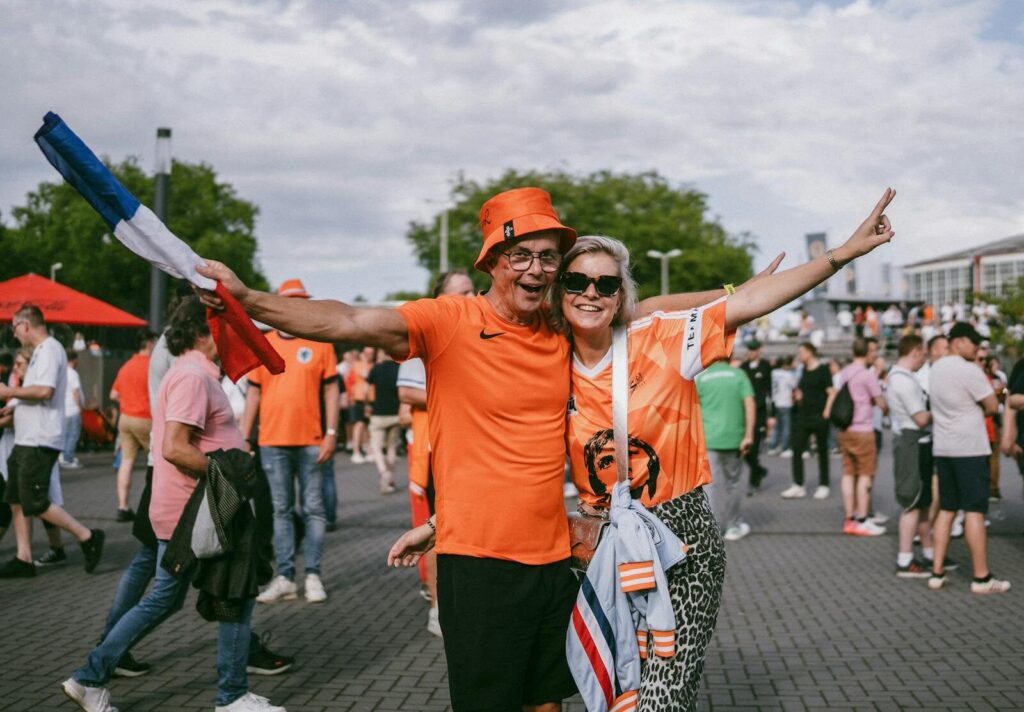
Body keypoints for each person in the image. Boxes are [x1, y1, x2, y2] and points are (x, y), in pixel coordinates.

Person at [545, 189, 895, 710]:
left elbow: (752, 304)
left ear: (621, 296)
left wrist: (840, 254)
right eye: (576, 281)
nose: (590, 293)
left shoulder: (660, 339)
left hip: (682, 543)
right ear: (560, 291)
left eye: (605, 284)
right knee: (618, 692)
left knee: (661, 699)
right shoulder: (545, 360)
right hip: (605, 550)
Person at [61, 295, 287, 712]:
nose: (229, 334)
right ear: (205, 332)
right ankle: (232, 695)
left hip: (196, 509)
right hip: (203, 510)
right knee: (233, 594)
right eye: (222, 326)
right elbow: (175, 448)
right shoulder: (191, 378)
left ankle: (90, 677)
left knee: (168, 598)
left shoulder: (195, 374)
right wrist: (229, 477)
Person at [242, 278, 340, 605]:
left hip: (312, 440)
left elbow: (331, 390)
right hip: (272, 440)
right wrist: (244, 437)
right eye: (291, 300)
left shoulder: (320, 342)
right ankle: (285, 577)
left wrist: (332, 434)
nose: (296, 305)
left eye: (302, 300)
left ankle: (312, 574)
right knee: (281, 510)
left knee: (313, 509)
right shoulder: (263, 342)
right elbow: (253, 394)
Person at [396, 267, 475, 637]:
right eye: (461, 293)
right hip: (433, 453)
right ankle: (435, 605)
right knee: (436, 530)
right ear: (441, 300)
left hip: (472, 454)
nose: (470, 299)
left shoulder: (481, 335)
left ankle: (465, 604)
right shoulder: (429, 336)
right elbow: (406, 393)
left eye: (473, 291)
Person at [0, 304, 105, 578]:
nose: (14, 335)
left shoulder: (49, 349)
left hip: (39, 439)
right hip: (26, 438)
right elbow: (36, 393)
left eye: (14, 328)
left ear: (25, 325)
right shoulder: (40, 353)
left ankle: (87, 535)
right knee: (15, 498)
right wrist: (13, 408)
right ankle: (24, 557)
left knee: (33, 501)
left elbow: (45, 391)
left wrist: (8, 391)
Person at [928, 322, 1009, 594]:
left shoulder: (935, 369)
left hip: (943, 447)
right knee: (975, 510)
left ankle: (936, 572)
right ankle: (981, 577)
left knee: (947, 509)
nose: (977, 348)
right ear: (959, 341)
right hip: (970, 448)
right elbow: (992, 406)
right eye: (974, 342)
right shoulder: (969, 370)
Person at [885, 334, 934, 576]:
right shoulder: (902, 380)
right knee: (912, 502)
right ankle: (904, 560)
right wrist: (943, 406)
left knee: (922, 503)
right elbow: (921, 418)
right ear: (915, 351)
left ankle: (929, 554)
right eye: (923, 354)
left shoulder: (902, 377)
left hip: (916, 443)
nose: (923, 360)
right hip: (911, 443)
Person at [833, 338, 888, 536]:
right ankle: (863, 518)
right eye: (872, 350)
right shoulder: (867, 375)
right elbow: (881, 403)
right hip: (864, 430)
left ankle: (850, 518)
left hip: (846, 429)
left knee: (848, 473)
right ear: (866, 352)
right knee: (865, 475)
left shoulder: (845, 372)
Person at [696, 357, 755, 540]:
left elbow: (692, 408)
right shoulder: (738, 374)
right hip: (734, 438)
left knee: (709, 487)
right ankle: (733, 526)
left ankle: (711, 529)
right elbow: (749, 404)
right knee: (734, 483)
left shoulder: (701, 377)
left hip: (708, 438)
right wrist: (749, 435)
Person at [110, 332, 156, 521]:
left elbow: (113, 394)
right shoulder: (153, 366)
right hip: (146, 418)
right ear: (150, 344)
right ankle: (154, 509)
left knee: (126, 462)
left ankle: (123, 506)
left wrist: (128, 400)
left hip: (126, 418)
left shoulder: (127, 366)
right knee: (157, 463)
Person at [781, 343, 833, 499]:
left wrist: (826, 413)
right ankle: (798, 484)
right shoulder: (802, 370)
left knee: (822, 451)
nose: (799, 355)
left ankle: (824, 484)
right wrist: (798, 396)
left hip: (819, 415)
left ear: (810, 352)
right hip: (803, 414)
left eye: (802, 351)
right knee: (797, 448)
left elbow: (831, 392)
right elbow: (805, 390)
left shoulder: (823, 369)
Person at [366, 349, 401, 494]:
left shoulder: (376, 368)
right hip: (395, 413)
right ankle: (390, 479)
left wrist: (367, 405)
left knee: (376, 446)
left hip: (378, 413)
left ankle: (383, 472)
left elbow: (365, 390)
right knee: (392, 447)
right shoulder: (399, 368)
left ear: (381, 353)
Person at [739, 340, 771, 491]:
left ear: (758, 351)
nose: (750, 353)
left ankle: (754, 480)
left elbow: (770, 391)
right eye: (749, 350)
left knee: (755, 447)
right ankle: (759, 470)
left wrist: (772, 415)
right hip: (744, 412)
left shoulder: (765, 366)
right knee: (744, 449)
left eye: (753, 350)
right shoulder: (743, 367)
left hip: (760, 412)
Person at [767, 355, 796, 456]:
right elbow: (794, 386)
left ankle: (773, 446)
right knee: (786, 426)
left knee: (777, 426)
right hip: (786, 402)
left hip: (775, 401)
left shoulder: (774, 373)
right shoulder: (789, 375)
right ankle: (784, 447)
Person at [61, 349, 84, 469]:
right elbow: (76, 392)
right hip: (73, 409)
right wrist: (80, 407)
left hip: (64, 409)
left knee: (65, 435)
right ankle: (68, 458)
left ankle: (63, 456)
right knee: (73, 435)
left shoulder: (62, 372)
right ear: (74, 359)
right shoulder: (73, 373)